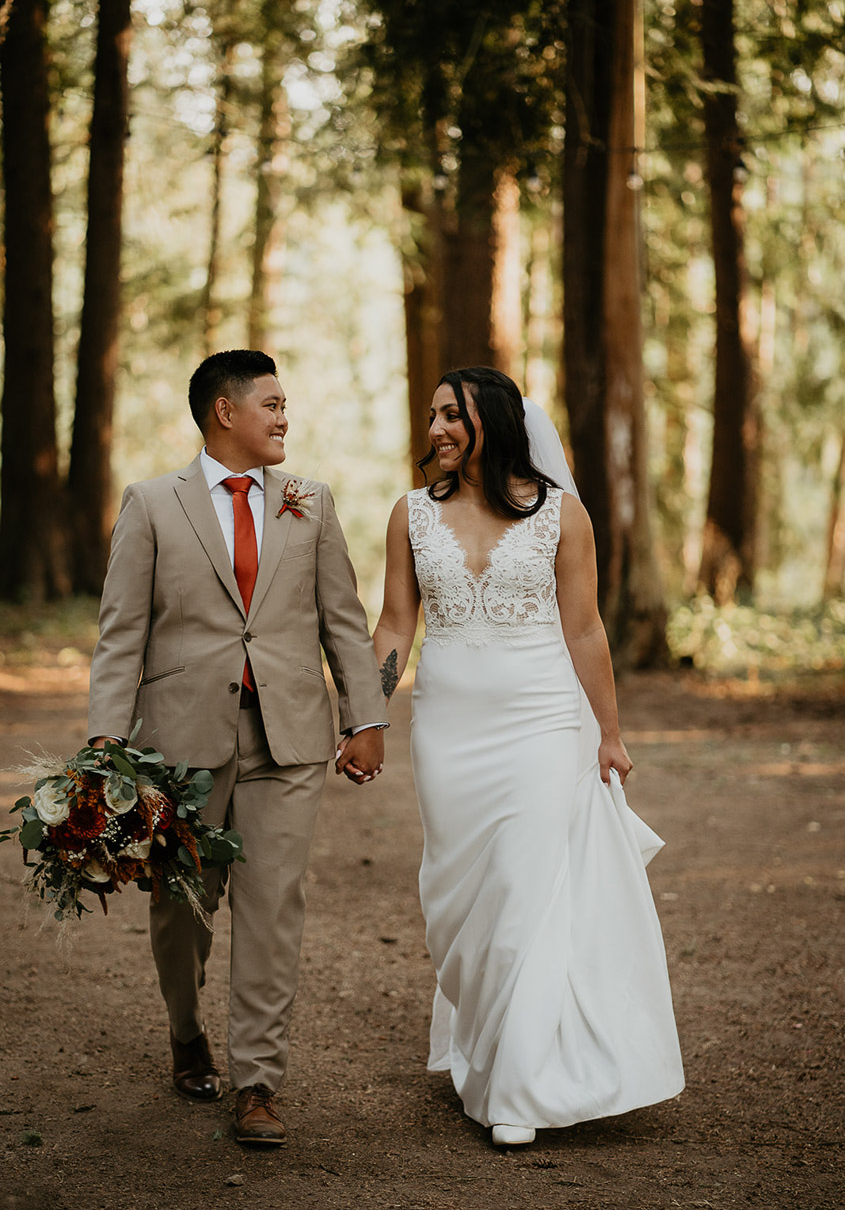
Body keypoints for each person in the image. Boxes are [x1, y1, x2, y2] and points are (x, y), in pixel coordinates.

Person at [373, 366, 684, 1147]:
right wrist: (363, 715)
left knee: (525, 886)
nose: (436, 427)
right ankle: (484, 1048)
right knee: (459, 897)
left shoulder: (561, 517)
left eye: (452, 413)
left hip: (544, 720)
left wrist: (607, 733)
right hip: (447, 729)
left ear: (497, 421)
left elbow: (584, 630)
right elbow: (392, 628)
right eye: (433, 414)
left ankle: (519, 1088)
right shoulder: (408, 514)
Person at [87, 349, 386, 1145]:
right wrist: (105, 744)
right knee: (181, 904)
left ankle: (257, 1081)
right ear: (225, 411)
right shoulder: (151, 504)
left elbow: (342, 620)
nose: (285, 418)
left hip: (286, 737)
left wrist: (366, 716)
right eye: (272, 403)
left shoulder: (309, 502)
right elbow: (122, 637)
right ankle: (187, 1031)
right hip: (181, 740)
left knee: (271, 906)